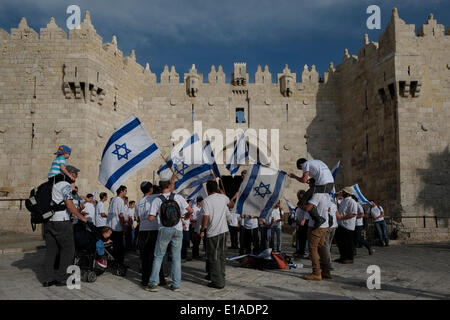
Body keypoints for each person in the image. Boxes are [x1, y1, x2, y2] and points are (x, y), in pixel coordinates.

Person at [146, 171, 193, 292]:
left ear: (160, 187)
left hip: (164, 229)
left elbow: (151, 218)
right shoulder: (178, 197)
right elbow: (190, 210)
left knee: (158, 256)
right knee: (176, 257)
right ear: (169, 186)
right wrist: (187, 216)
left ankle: (153, 283)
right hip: (178, 229)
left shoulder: (157, 200)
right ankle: (176, 284)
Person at [43, 165, 87, 287]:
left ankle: (48, 279)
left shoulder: (52, 185)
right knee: (68, 250)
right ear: (70, 174)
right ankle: (62, 278)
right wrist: (81, 216)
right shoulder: (65, 185)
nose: (76, 177)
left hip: (49, 221)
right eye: (75, 175)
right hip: (62, 221)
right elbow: (69, 204)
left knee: (51, 251)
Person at [200, 180, 231, 289]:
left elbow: (206, 217)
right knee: (221, 255)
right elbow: (230, 204)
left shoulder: (206, 201)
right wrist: (222, 192)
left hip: (213, 231)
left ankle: (217, 281)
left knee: (214, 257)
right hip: (223, 230)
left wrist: (202, 229)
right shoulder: (224, 198)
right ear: (217, 188)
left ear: (207, 189)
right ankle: (221, 276)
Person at [135, 181, 167, 287]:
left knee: (144, 257)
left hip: (142, 230)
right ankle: (160, 279)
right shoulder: (156, 197)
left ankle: (145, 280)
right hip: (154, 230)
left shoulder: (139, 202)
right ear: (151, 189)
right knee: (156, 256)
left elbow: (137, 218)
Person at [289, 158, 335, 229]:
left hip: (322, 185)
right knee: (316, 199)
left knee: (302, 201)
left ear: (301, 165)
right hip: (330, 184)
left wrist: (294, 176)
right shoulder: (318, 161)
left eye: (301, 169)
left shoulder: (305, 164)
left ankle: (318, 219)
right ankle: (327, 217)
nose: (303, 171)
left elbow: (304, 180)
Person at [299, 188, 331, 281]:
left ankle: (316, 273)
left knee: (313, 248)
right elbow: (329, 208)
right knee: (321, 247)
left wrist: (301, 206)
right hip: (324, 225)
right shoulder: (326, 195)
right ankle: (326, 271)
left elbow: (308, 208)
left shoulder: (317, 195)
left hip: (316, 226)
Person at [335, 187, 358, 264]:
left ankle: (349, 258)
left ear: (347, 193)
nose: (342, 193)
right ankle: (343, 257)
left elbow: (353, 214)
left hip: (348, 226)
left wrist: (341, 217)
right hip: (341, 224)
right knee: (341, 243)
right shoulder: (343, 201)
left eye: (343, 192)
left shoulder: (352, 202)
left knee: (348, 243)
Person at [106, 185, 127, 268]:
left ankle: (114, 262)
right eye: (125, 191)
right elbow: (121, 215)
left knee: (113, 247)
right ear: (121, 191)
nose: (126, 192)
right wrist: (124, 226)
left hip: (111, 227)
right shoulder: (120, 200)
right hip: (117, 227)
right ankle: (119, 264)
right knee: (120, 248)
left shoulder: (113, 200)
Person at [294, 190, 309, 258]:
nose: (298, 197)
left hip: (305, 223)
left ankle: (305, 251)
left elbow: (307, 211)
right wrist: (297, 221)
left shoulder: (306, 202)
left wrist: (304, 220)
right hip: (299, 223)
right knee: (300, 238)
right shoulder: (300, 201)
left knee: (305, 238)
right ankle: (300, 251)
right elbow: (298, 211)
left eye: (299, 195)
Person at [325, 197, 338, 269]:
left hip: (327, 227)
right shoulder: (334, 205)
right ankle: (325, 259)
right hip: (334, 226)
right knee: (328, 245)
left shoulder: (325, 204)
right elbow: (337, 215)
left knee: (326, 246)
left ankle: (328, 263)